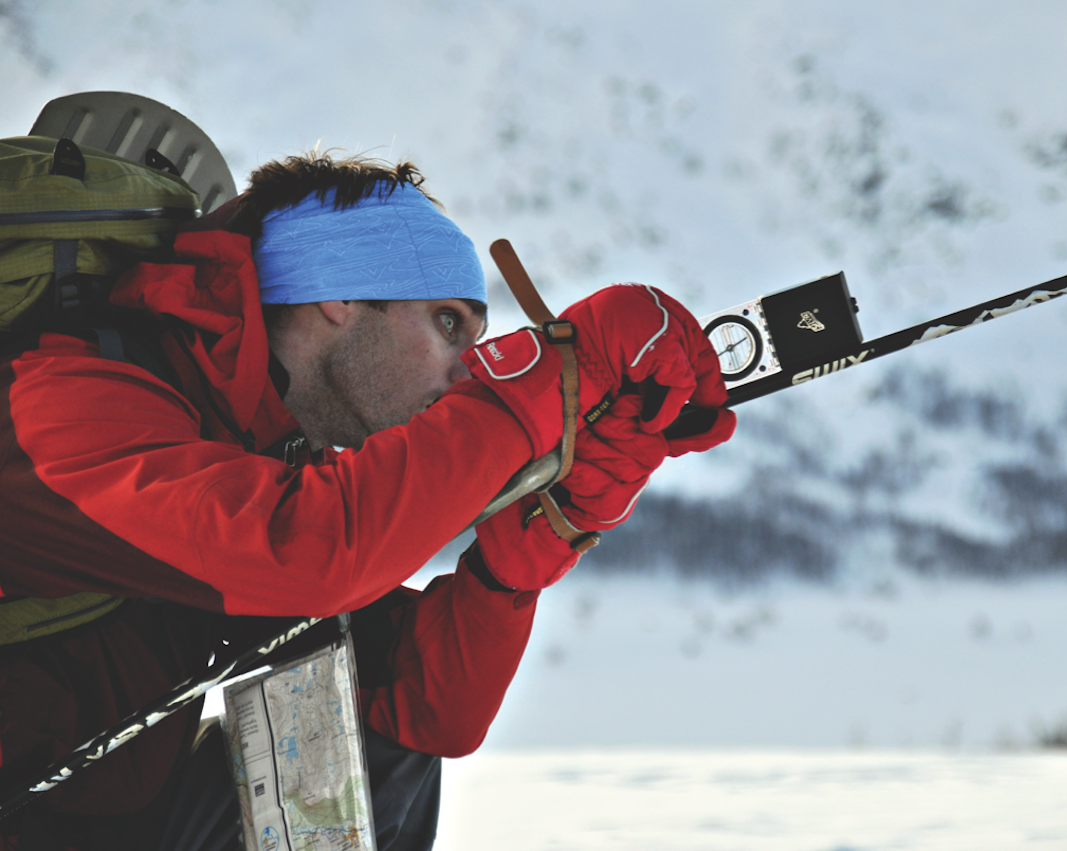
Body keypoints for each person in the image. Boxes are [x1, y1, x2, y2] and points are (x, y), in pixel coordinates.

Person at [0, 150, 734, 850]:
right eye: (449, 323)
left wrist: (525, 550)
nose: (467, 370)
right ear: (339, 293)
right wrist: (545, 379)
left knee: (357, 722)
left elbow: (421, 710)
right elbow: (308, 550)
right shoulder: (64, 398)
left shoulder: (250, 449)